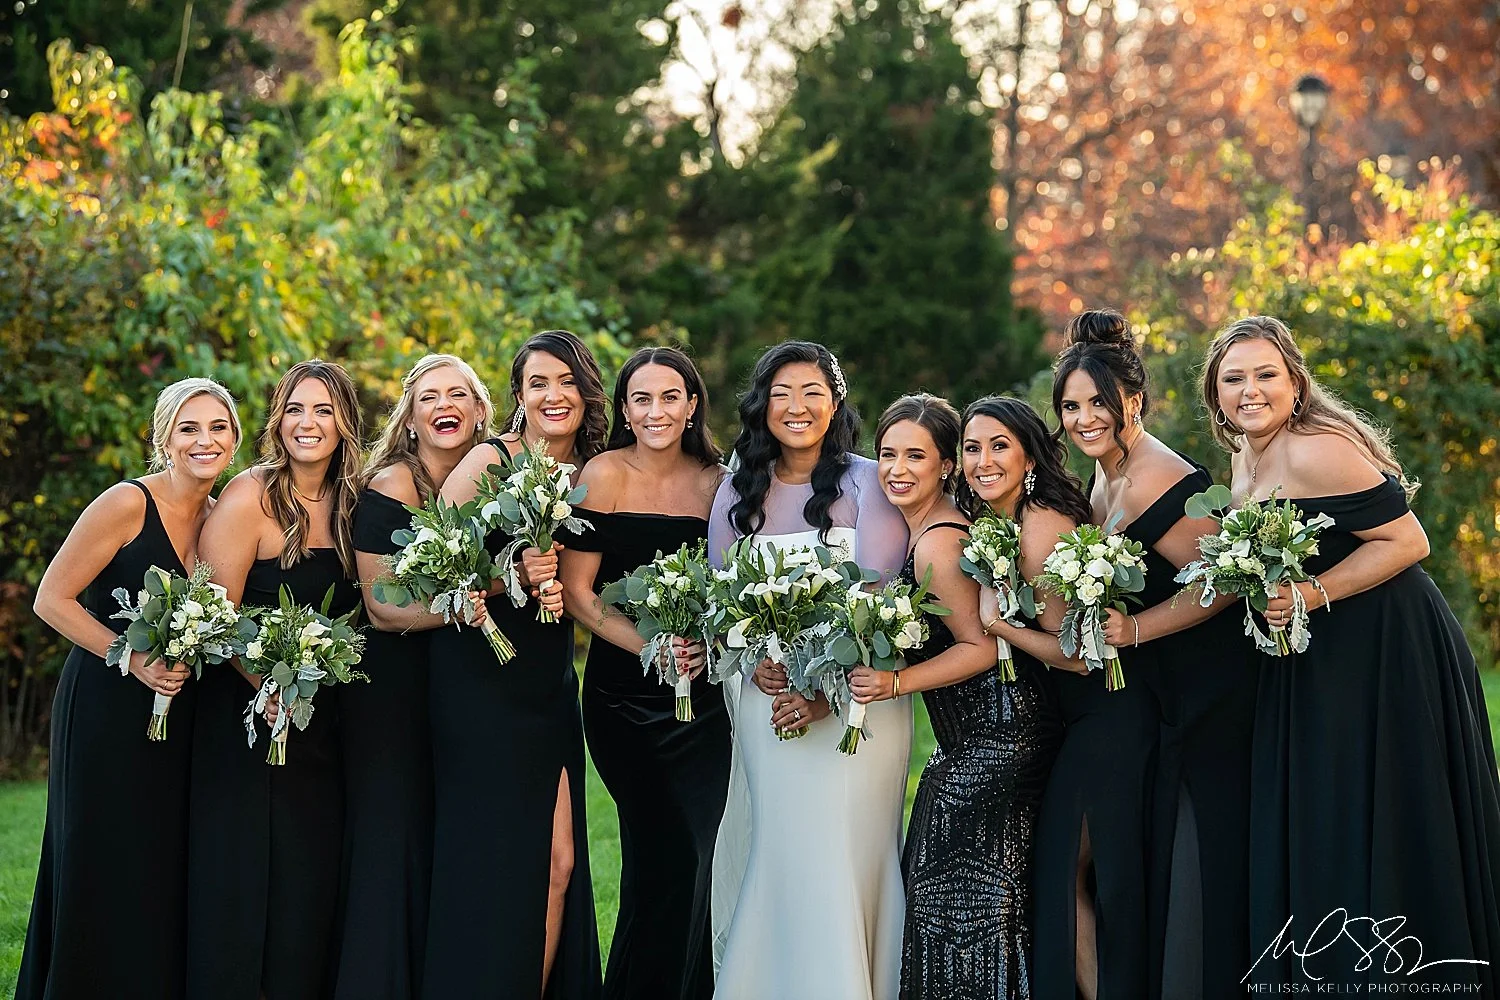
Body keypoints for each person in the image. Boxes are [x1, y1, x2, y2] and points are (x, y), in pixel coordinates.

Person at [1204, 315, 1500, 990]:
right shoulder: (1245, 458)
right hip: (1317, 657)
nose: (1250, 391)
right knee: (1329, 812)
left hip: (1387, 647)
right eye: (1234, 379)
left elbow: (1409, 542)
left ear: (1296, 383)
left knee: (1386, 810)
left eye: (1265, 375)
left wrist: (1310, 593)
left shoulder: (1317, 449)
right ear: (1215, 393)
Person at [17, 378, 241, 1000]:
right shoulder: (126, 503)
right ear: (164, 438)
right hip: (107, 704)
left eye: (217, 428)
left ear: (234, 440)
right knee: (101, 856)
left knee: (157, 863)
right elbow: (51, 600)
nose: (204, 440)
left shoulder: (222, 516)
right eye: (188, 428)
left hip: (179, 713)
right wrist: (133, 657)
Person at [707, 340, 910, 1000]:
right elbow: (723, 602)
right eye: (782, 394)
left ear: (836, 401)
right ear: (761, 405)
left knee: (840, 852)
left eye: (812, 392)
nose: (796, 407)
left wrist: (825, 694)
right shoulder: (738, 490)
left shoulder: (870, 483)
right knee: (785, 848)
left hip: (856, 707)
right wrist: (757, 666)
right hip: (769, 709)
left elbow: (881, 602)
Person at [849, 394, 1066, 999]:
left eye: (915, 456)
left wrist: (895, 683)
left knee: (960, 900)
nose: (897, 469)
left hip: (998, 735)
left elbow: (981, 646)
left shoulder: (940, 542)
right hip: (973, 738)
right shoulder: (924, 532)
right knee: (965, 894)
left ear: (946, 466)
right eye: (887, 454)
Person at [425, 330, 606, 999]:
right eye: (538, 383)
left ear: (586, 391)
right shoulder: (489, 459)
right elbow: (432, 567)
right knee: (494, 863)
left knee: (559, 863)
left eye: (566, 381)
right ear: (519, 396)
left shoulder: (594, 472)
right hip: (479, 683)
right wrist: (512, 576)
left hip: (548, 685)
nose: (553, 395)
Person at [187, 360, 364, 1000]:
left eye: (322, 410)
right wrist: (272, 682)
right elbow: (213, 615)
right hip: (252, 722)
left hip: (330, 726)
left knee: (312, 885)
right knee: (254, 880)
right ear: (277, 421)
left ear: (344, 422)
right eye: (294, 409)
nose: (306, 423)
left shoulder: (357, 501)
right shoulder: (250, 496)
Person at [559, 346, 730, 1000]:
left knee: (696, 858)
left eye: (669, 397)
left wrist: (706, 644)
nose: (656, 411)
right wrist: (650, 648)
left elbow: (733, 585)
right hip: (623, 700)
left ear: (692, 406)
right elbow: (579, 594)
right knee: (666, 853)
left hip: (702, 702)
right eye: (642, 399)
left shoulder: (719, 483)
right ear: (625, 410)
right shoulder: (602, 474)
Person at [334, 353, 493, 1000]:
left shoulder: (498, 479)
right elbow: (382, 606)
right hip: (394, 691)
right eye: (429, 397)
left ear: (480, 410)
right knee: (396, 839)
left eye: (457, 394)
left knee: (449, 839)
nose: (443, 406)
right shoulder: (391, 487)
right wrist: (465, 605)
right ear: (410, 417)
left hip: (465, 685)